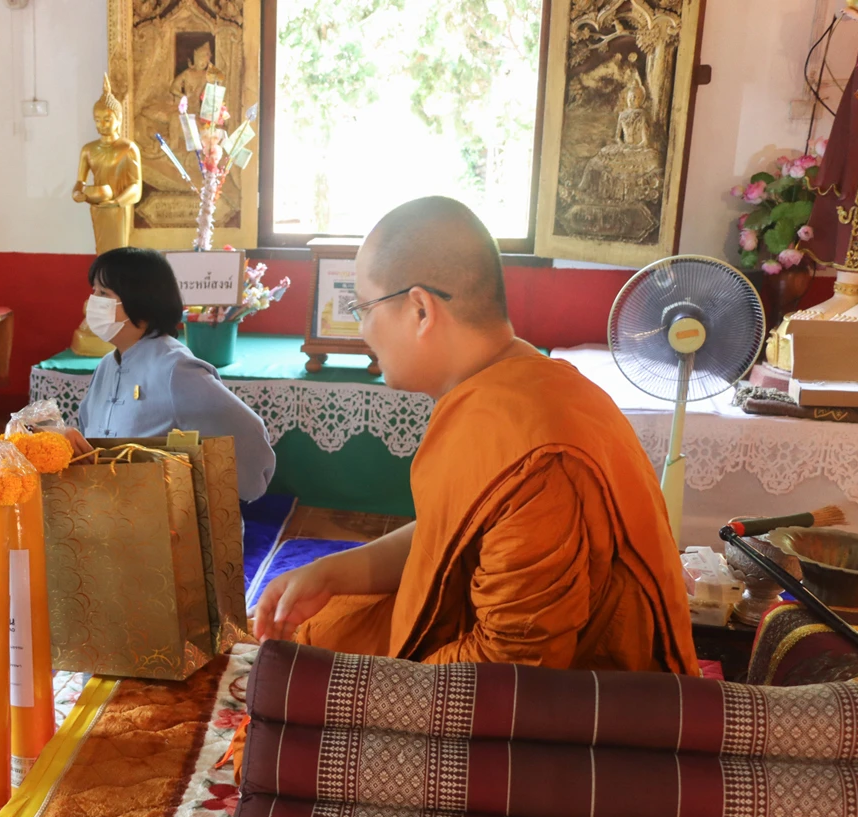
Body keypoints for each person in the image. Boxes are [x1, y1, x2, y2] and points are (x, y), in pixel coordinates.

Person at [253, 196, 698, 674]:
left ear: (420, 310)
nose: (362, 330)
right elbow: (449, 537)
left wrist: (374, 691)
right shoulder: (510, 384)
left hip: (588, 713)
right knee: (319, 630)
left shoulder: (539, 455)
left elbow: (510, 673)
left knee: (310, 669)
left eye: (363, 307)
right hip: (495, 664)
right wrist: (330, 573)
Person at [77, 246, 276, 501]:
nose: (93, 302)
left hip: (168, 525)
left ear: (142, 300)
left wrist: (242, 487)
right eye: (94, 291)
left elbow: (245, 430)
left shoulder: (176, 369)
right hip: (113, 512)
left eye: (104, 293)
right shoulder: (108, 364)